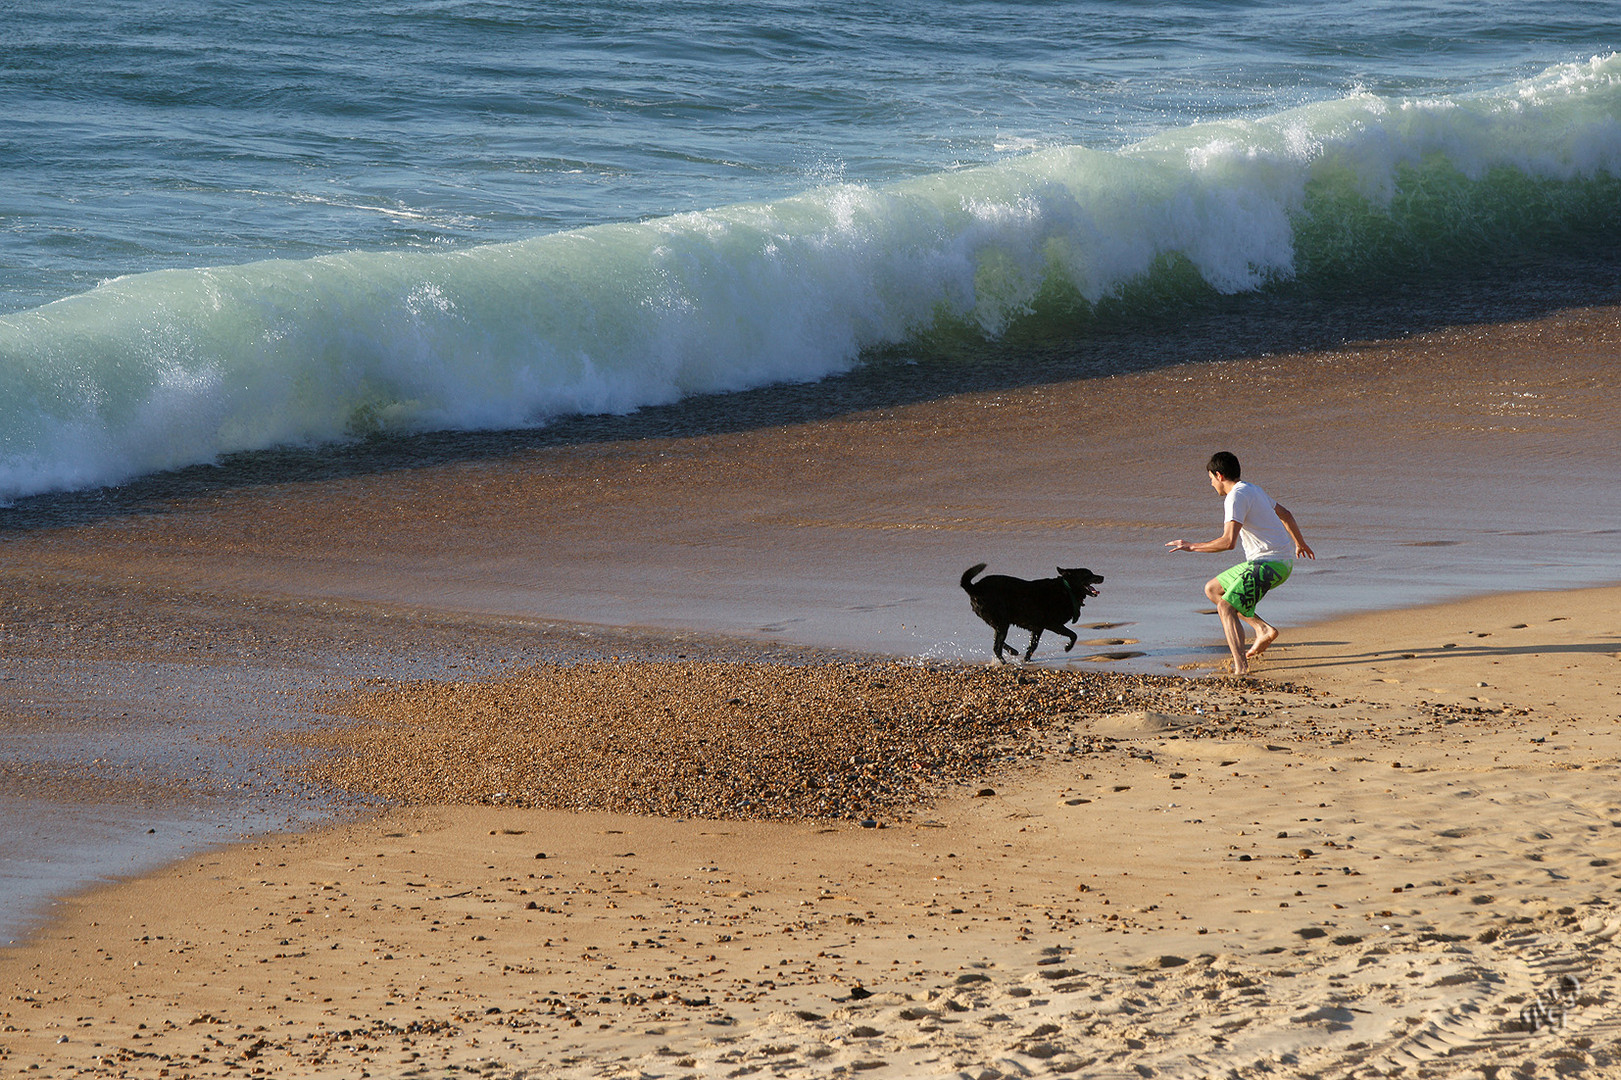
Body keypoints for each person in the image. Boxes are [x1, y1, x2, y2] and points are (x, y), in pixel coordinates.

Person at [1165, 451, 1314, 676]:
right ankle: (1262, 629)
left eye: (1211, 479)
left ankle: (1241, 668)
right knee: (1213, 589)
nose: (1211, 484)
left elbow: (1228, 542)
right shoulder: (1253, 489)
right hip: (1274, 562)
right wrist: (1299, 544)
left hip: (1269, 566)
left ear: (1219, 475)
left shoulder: (1235, 497)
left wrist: (1192, 546)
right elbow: (1286, 514)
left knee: (1226, 607)